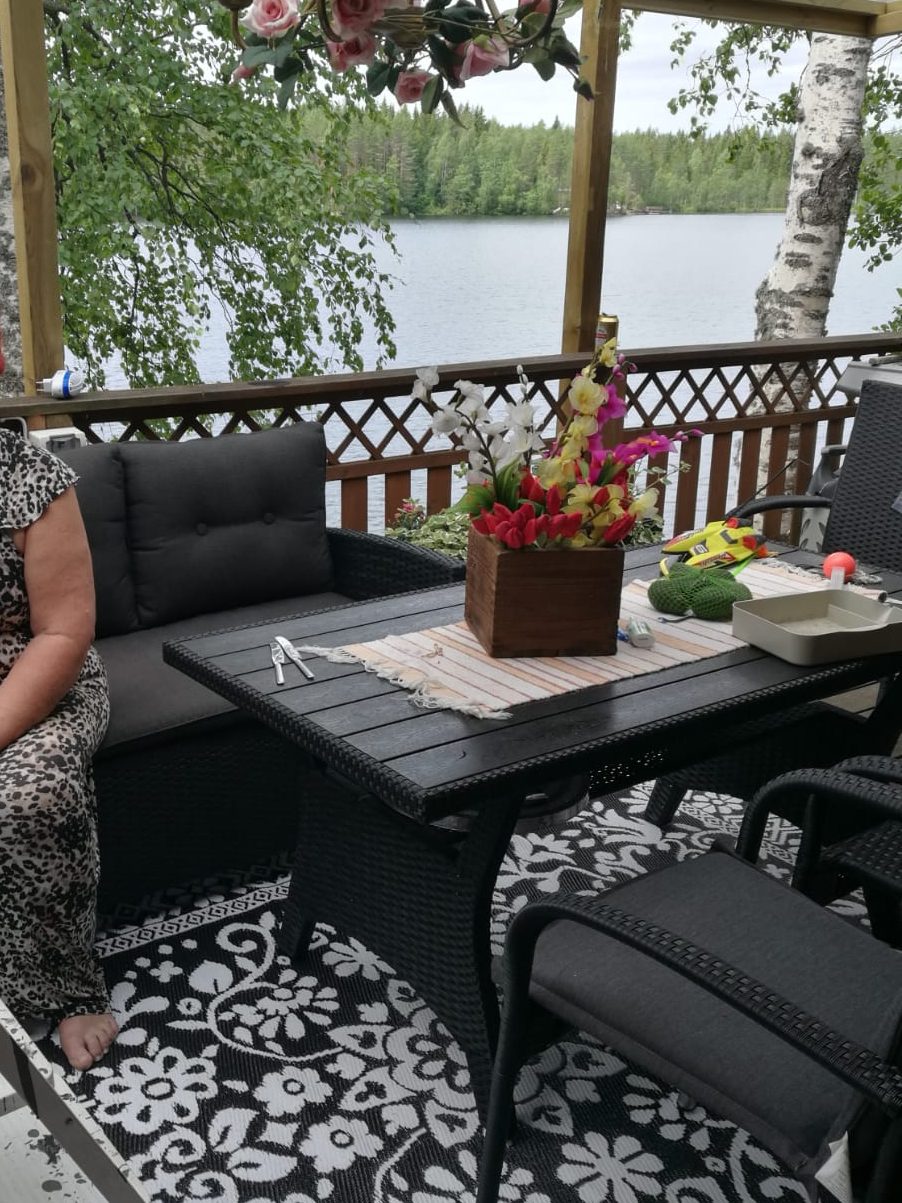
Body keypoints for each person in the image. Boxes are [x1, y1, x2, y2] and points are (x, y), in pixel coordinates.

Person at [0, 428, 116, 1069]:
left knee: (30, 796)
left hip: (45, 683)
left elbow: (64, 631)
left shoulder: (30, 477)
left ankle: (72, 992)